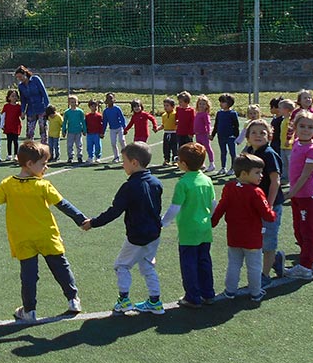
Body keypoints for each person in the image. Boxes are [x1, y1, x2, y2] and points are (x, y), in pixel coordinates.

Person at [0, 140, 86, 323]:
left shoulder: (7, 184)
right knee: (60, 267)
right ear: (29, 164)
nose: (46, 167)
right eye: (43, 164)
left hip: (22, 239)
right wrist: (81, 219)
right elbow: (63, 204)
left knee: (29, 276)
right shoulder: (43, 185)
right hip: (47, 235)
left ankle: (29, 311)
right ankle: (73, 300)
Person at [83, 141, 165, 315]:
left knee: (121, 265)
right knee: (147, 265)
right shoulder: (156, 183)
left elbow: (114, 211)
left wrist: (93, 223)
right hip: (154, 234)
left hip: (137, 235)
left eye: (124, 161)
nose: (122, 165)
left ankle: (124, 300)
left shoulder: (129, 187)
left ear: (134, 162)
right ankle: (155, 301)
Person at [211, 153, 275, 302]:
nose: (261, 176)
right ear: (245, 174)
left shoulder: (229, 187)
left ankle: (230, 290)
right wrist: (272, 213)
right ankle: (255, 292)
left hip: (234, 235)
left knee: (234, 264)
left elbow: (221, 207)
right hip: (252, 237)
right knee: (254, 266)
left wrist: (213, 221)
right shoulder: (256, 192)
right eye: (257, 173)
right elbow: (267, 215)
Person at [161, 142, 216, 308]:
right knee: (204, 261)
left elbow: (175, 208)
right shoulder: (207, 180)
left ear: (183, 164)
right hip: (205, 229)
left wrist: (163, 222)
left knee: (189, 264)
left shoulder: (183, 183)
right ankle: (208, 293)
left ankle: (192, 297)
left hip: (188, 231)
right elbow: (214, 204)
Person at [240, 119, 285, 287]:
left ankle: (265, 274)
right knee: (256, 238)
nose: (258, 136)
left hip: (269, 204)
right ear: (248, 136)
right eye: (254, 132)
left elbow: (275, 181)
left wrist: (270, 205)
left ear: (270, 136)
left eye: (262, 133)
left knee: (268, 239)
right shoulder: (249, 152)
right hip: (254, 205)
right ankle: (275, 260)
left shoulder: (269, 154)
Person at [283, 110, 313, 280]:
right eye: (302, 126)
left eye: (310, 127)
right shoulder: (297, 143)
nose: (306, 130)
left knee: (307, 231)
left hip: (307, 196)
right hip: (298, 196)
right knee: (298, 229)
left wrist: (291, 192)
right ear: (295, 127)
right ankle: (312, 260)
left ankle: (306, 267)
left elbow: (305, 176)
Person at [15, 65, 50, 144]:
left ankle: (45, 150)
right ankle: (30, 151)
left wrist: (47, 108)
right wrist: (22, 111)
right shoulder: (21, 86)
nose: (19, 79)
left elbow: (44, 93)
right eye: (17, 77)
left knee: (43, 130)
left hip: (41, 108)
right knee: (30, 132)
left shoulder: (36, 79)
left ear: (25, 74)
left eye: (20, 76)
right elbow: (23, 100)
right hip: (31, 111)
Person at [211, 93, 240, 174]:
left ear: (229, 103)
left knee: (232, 153)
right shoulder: (219, 113)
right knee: (223, 152)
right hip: (221, 136)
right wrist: (213, 135)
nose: (221, 104)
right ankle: (223, 168)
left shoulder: (233, 113)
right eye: (220, 102)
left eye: (223, 102)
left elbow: (236, 126)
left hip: (231, 137)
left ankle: (233, 168)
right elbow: (216, 125)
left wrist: (237, 137)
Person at [102, 93, 127, 164]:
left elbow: (122, 118)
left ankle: (126, 156)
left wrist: (125, 128)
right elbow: (105, 122)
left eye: (111, 98)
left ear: (114, 100)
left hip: (119, 128)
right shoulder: (106, 111)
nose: (110, 100)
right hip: (112, 129)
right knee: (113, 143)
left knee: (122, 140)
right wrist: (102, 132)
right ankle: (116, 157)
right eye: (108, 99)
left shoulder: (117, 109)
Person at [193, 95, 215, 173]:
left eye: (203, 104)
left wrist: (209, 133)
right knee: (199, 150)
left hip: (204, 135)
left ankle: (212, 164)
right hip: (198, 135)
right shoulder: (197, 114)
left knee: (208, 149)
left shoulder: (205, 115)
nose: (201, 105)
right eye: (200, 104)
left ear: (207, 106)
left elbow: (208, 124)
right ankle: (201, 164)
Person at [63, 95, 86, 165]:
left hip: (78, 131)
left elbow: (83, 121)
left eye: (74, 102)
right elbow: (65, 122)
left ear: (77, 102)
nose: (73, 103)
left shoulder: (80, 112)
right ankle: (70, 157)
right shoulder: (67, 112)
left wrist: (84, 130)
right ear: (69, 103)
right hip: (70, 131)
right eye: (71, 102)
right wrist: (64, 130)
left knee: (79, 144)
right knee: (69, 145)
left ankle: (79, 156)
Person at [1, 89, 22, 161]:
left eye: (15, 96)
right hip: (8, 126)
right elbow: (3, 115)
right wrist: (2, 125)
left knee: (15, 141)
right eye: (12, 96)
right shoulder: (6, 106)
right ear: (9, 97)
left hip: (16, 126)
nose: (14, 97)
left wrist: (23, 114)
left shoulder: (19, 106)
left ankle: (16, 155)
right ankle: (9, 154)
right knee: (9, 141)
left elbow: (21, 116)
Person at [157, 97, 177, 165]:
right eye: (164, 105)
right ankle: (166, 159)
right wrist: (157, 129)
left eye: (167, 105)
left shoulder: (175, 114)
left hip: (174, 134)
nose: (165, 107)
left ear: (172, 106)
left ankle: (175, 160)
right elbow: (163, 125)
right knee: (166, 147)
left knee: (174, 147)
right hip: (166, 133)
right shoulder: (164, 115)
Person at [84, 99, 104, 164]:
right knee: (89, 146)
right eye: (92, 106)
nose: (94, 108)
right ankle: (90, 157)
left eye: (95, 106)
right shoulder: (87, 116)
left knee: (98, 146)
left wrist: (101, 133)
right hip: (89, 133)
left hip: (97, 134)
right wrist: (84, 131)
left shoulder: (99, 116)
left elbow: (101, 125)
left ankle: (98, 157)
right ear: (89, 107)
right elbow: (85, 124)